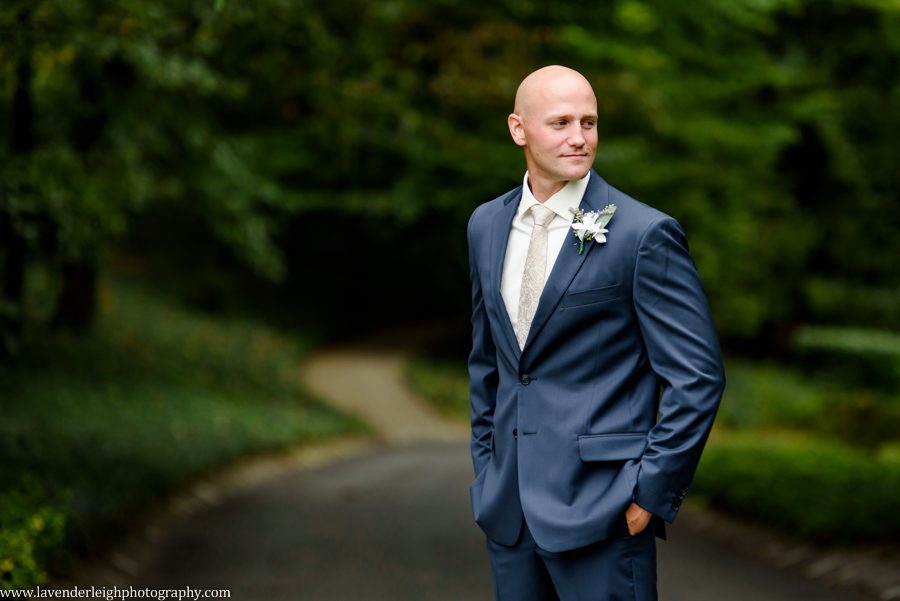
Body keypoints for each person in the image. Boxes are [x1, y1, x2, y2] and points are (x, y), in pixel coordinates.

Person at [466, 65, 726, 601]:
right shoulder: (485, 226)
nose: (579, 138)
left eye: (589, 121)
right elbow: (488, 362)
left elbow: (697, 377)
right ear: (518, 129)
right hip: (509, 516)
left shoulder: (643, 233)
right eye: (560, 122)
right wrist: (488, 473)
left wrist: (650, 493)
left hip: (604, 512)